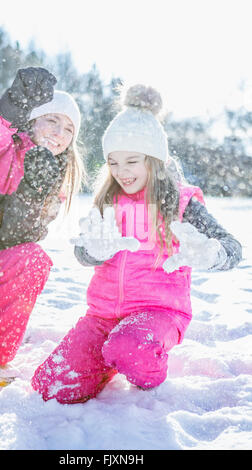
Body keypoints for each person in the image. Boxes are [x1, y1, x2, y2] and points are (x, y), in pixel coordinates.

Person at [31, 84, 242, 403]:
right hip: (102, 316)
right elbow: (82, 250)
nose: (121, 172)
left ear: (154, 160)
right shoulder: (108, 200)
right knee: (51, 385)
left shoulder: (181, 204)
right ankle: (110, 355)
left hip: (157, 313)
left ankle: (141, 362)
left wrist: (209, 254)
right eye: (113, 162)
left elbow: (232, 249)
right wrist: (92, 252)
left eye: (132, 161)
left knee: (131, 347)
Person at [0, 67, 84, 386]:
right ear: (33, 119)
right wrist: (10, 106)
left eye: (69, 128)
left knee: (32, 259)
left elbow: (13, 241)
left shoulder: (50, 181)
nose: (59, 132)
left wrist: (33, 193)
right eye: (52, 119)